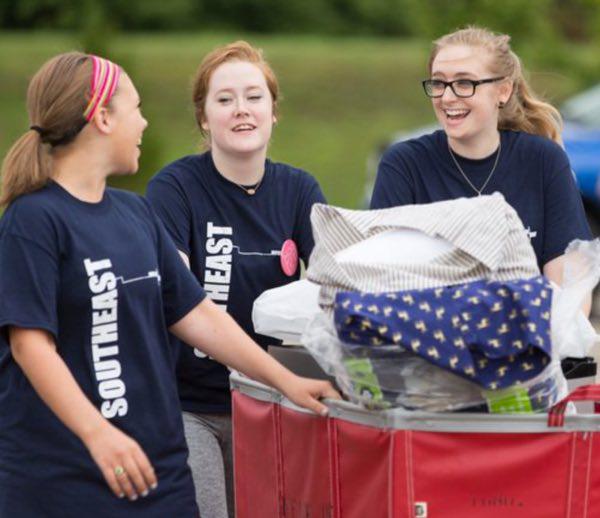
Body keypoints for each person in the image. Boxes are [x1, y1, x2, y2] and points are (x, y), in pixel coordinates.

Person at [0, 51, 339, 518]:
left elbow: (197, 314)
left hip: (157, 465)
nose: (143, 123)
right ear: (101, 118)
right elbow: (30, 346)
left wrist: (287, 381)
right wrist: (97, 433)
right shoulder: (34, 220)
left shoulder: (134, 214)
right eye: (136, 108)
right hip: (66, 473)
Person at [145, 41, 327, 518]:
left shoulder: (299, 189)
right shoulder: (175, 187)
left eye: (254, 97)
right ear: (204, 118)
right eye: (224, 100)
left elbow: (332, 285)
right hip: (190, 407)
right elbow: (178, 300)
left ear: (273, 112)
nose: (241, 110)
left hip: (271, 406)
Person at [370, 26, 592, 291]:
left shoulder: (543, 160)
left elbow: (572, 284)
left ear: (503, 91)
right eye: (439, 83)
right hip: (431, 328)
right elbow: (382, 277)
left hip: (528, 328)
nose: (447, 97)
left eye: (465, 83)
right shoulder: (403, 164)